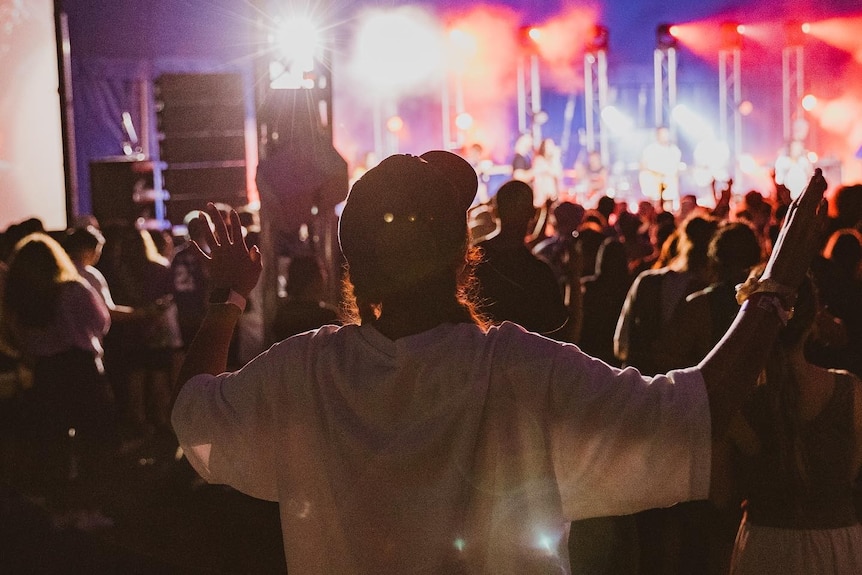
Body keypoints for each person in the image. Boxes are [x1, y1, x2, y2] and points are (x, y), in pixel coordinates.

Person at [171, 153, 827, 575]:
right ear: (464, 252)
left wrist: (228, 293)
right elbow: (700, 409)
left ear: (354, 265)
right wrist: (774, 288)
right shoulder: (522, 370)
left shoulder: (305, 374)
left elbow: (192, 412)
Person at [714, 271, 862, 574]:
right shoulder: (850, 392)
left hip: (766, 546)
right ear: (811, 322)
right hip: (836, 542)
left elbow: (720, 492)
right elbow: (848, 473)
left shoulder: (738, 401)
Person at [639, 126, 682, 212]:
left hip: (669, 188)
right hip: (654, 188)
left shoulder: (674, 150)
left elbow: (675, 170)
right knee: (655, 209)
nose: (665, 136)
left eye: (666, 134)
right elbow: (643, 167)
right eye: (662, 134)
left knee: (668, 209)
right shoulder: (650, 150)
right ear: (657, 135)